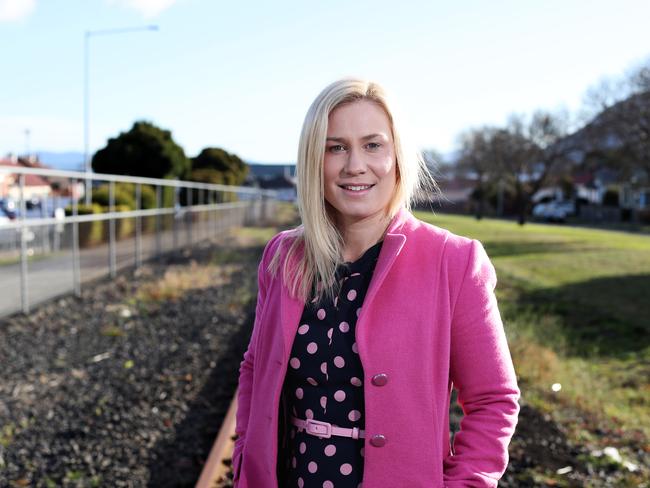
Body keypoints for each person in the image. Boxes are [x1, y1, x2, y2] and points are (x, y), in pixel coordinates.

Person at [233, 78, 520, 488]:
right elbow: (254, 367)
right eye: (336, 147)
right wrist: (245, 454)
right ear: (314, 159)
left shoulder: (454, 261)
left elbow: (493, 400)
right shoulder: (283, 256)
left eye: (373, 145)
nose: (355, 165)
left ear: (398, 156)